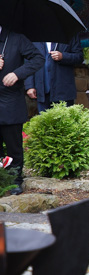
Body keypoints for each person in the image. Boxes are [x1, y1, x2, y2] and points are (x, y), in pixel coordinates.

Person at [0, 24, 43, 194]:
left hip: (10, 101)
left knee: (13, 147)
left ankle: (15, 180)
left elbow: (38, 58)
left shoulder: (17, 38)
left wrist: (18, 73)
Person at [24, 33, 83, 112]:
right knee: (44, 123)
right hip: (42, 90)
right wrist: (30, 86)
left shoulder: (70, 34)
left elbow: (79, 57)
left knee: (64, 123)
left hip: (63, 91)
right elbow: (29, 62)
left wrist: (63, 56)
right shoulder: (34, 36)